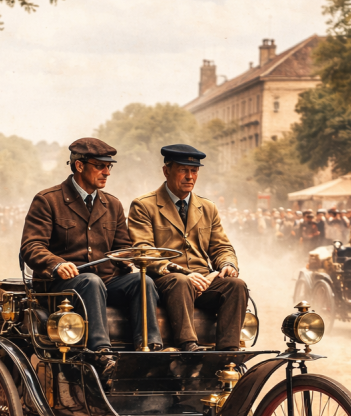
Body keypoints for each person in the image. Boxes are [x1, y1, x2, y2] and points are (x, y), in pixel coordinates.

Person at [20, 138, 162, 376]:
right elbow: (31, 246)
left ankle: (151, 351)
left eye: (109, 166)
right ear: (79, 166)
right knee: (90, 280)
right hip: (62, 288)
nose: (107, 172)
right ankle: (102, 355)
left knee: (143, 281)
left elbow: (122, 247)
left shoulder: (113, 204)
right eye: (100, 166)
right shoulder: (48, 200)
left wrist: (130, 257)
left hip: (104, 284)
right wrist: (57, 264)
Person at [127, 143, 247, 352]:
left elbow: (221, 246)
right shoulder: (143, 205)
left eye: (194, 171)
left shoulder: (207, 207)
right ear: (166, 171)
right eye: (183, 170)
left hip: (204, 281)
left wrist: (227, 265)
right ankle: (188, 347)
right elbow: (143, 251)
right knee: (181, 282)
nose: (190, 176)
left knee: (236, 285)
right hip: (167, 280)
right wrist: (183, 272)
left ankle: (228, 353)